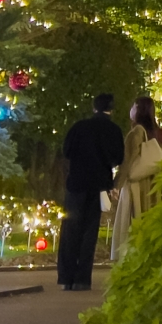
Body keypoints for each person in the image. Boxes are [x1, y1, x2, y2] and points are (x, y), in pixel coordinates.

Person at [57, 93, 125, 291]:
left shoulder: (79, 127)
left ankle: (66, 277)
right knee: (89, 231)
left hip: (77, 182)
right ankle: (82, 279)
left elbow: (67, 151)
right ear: (111, 109)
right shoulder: (113, 130)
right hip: (99, 185)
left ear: (94, 107)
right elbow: (118, 158)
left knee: (71, 229)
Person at [109, 96, 162, 262]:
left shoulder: (136, 132)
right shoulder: (157, 133)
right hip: (154, 184)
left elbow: (127, 161)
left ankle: (132, 260)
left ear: (138, 110)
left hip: (136, 184)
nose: (131, 110)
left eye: (133, 106)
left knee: (133, 222)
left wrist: (116, 185)